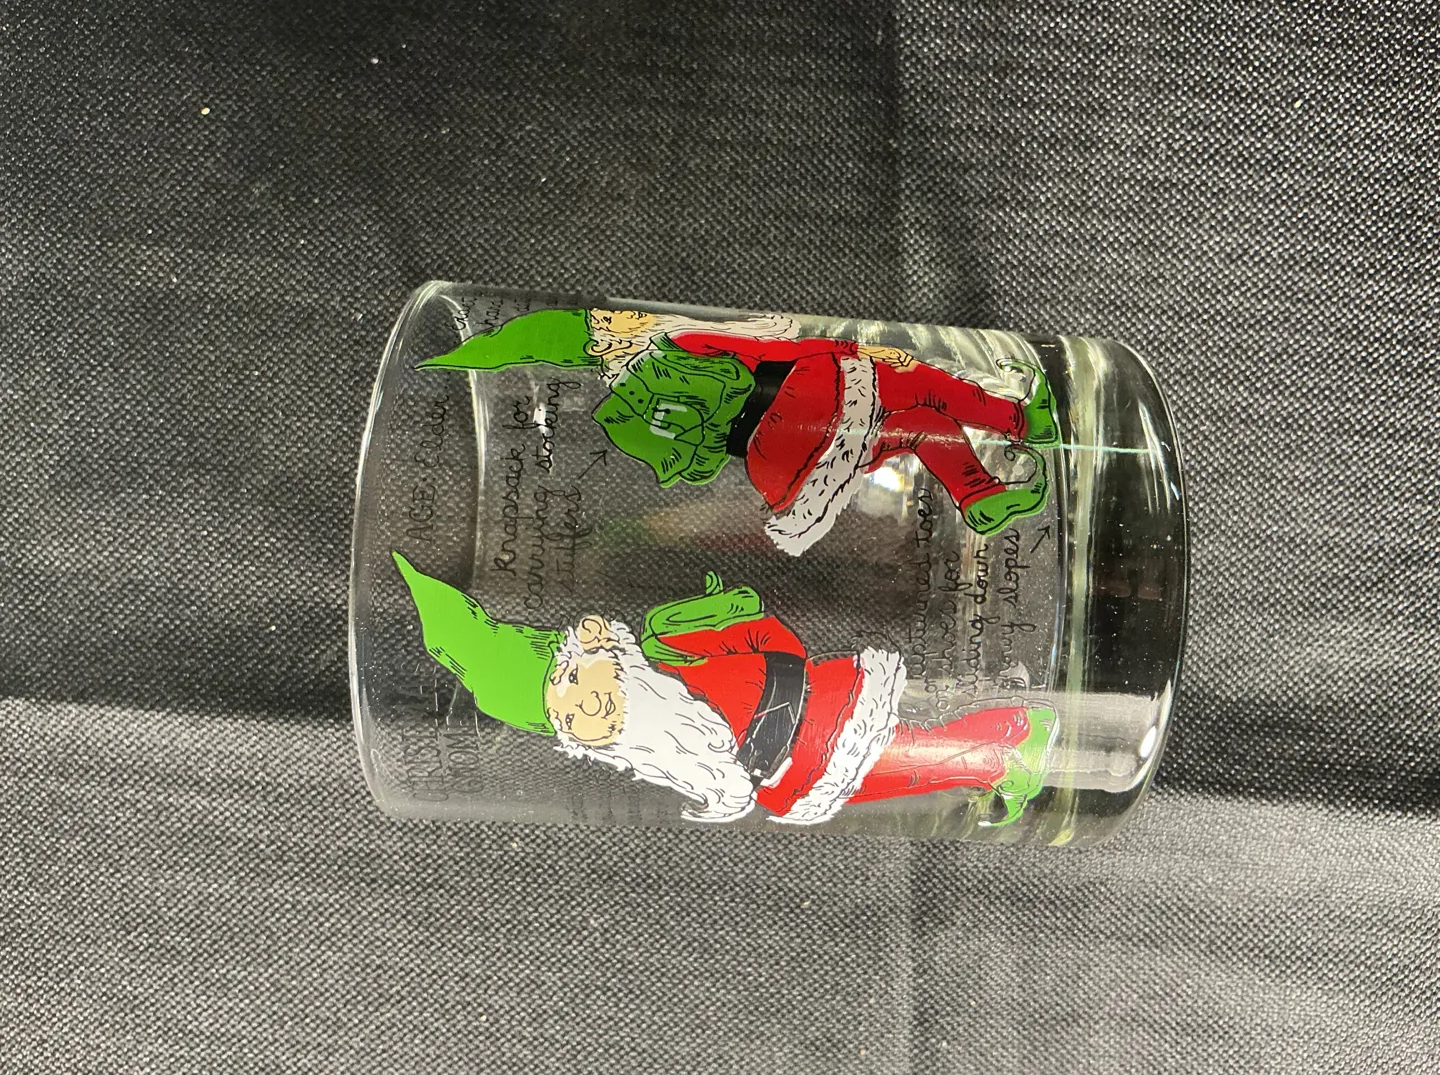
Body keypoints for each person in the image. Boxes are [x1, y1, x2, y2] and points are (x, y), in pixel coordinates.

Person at [393, 554, 1056, 827]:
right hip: (790, 780)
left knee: (913, 748)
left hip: (818, 710)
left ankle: (1015, 732)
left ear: (593, 640)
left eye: (568, 679)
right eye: (563, 719)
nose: (581, 707)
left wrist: (771, 656)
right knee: (908, 773)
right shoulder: (653, 754)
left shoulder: (665, 645)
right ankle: (1002, 754)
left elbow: (762, 632)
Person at [421, 307, 1060, 555]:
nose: (623, 319)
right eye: (609, 322)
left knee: (920, 425)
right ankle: (1020, 418)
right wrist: (852, 352)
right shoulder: (676, 345)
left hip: (777, 464)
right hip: (803, 402)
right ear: (607, 341)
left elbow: (693, 468)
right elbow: (768, 351)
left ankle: (979, 495)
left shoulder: (621, 418)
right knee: (911, 378)